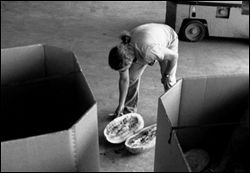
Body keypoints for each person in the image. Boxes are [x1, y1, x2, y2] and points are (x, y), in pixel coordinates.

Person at [108, 23, 179, 117]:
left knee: (169, 82)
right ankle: (129, 112)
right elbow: (125, 80)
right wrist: (121, 104)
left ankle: (173, 117)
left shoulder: (148, 52)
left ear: (130, 62)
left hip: (168, 38)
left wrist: (166, 74)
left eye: (124, 69)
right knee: (131, 79)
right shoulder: (123, 49)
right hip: (147, 40)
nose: (123, 72)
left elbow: (174, 57)